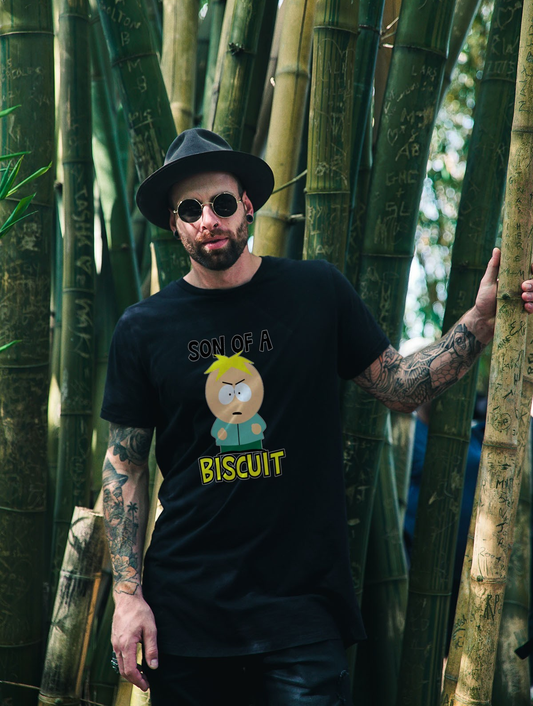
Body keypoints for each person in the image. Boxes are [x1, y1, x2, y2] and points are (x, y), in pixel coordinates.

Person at [100, 128, 533, 706]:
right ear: (175, 225)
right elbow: (124, 468)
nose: (209, 220)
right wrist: (127, 597)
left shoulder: (315, 291)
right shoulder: (142, 328)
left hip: (301, 612)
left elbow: (400, 386)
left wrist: (478, 324)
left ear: (247, 206)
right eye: (190, 210)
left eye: (222, 203)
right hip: (188, 613)